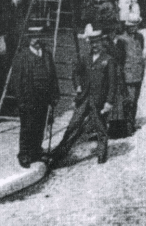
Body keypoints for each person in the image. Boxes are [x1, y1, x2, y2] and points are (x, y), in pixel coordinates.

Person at [48, 25, 109, 165]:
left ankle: (102, 154)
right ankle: (59, 154)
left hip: (99, 99)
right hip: (84, 97)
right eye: (92, 42)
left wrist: (109, 101)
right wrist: (78, 85)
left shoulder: (106, 58)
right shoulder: (84, 57)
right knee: (73, 125)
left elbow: (112, 82)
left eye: (97, 42)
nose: (94, 45)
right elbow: (76, 73)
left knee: (100, 126)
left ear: (101, 42)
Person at [12, 36, 59, 167]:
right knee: (28, 126)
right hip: (28, 98)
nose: (37, 40)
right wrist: (20, 100)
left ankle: (36, 151)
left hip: (43, 97)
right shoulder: (22, 56)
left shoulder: (47, 54)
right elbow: (16, 81)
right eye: (33, 38)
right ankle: (24, 154)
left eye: (39, 37)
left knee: (40, 125)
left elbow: (53, 76)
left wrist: (55, 94)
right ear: (29, 40)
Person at [115, 21, 146, 134]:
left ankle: (132, 123)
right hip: (128, 75)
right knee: (129, 101)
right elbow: (120, 59)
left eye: (135, 25)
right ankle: (127, 127)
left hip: (138, 73)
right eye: (131, 26)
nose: (133, 28)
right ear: (127, 27)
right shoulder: (122, 40)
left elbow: (140, 51)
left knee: (135, 99)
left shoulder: (140, 37)